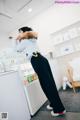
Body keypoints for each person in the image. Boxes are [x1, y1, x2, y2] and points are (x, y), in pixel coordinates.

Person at [16, 26, 66, 117]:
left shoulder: (25, 41)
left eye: (20, 32)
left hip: (37, 60)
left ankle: (59, 109)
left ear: (23, 32)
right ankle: (53, 103)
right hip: (41, 59)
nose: (18, 34)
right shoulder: (32, 39)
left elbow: (17, 49)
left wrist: (17, 39)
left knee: (47, 85)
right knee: (48, 84)